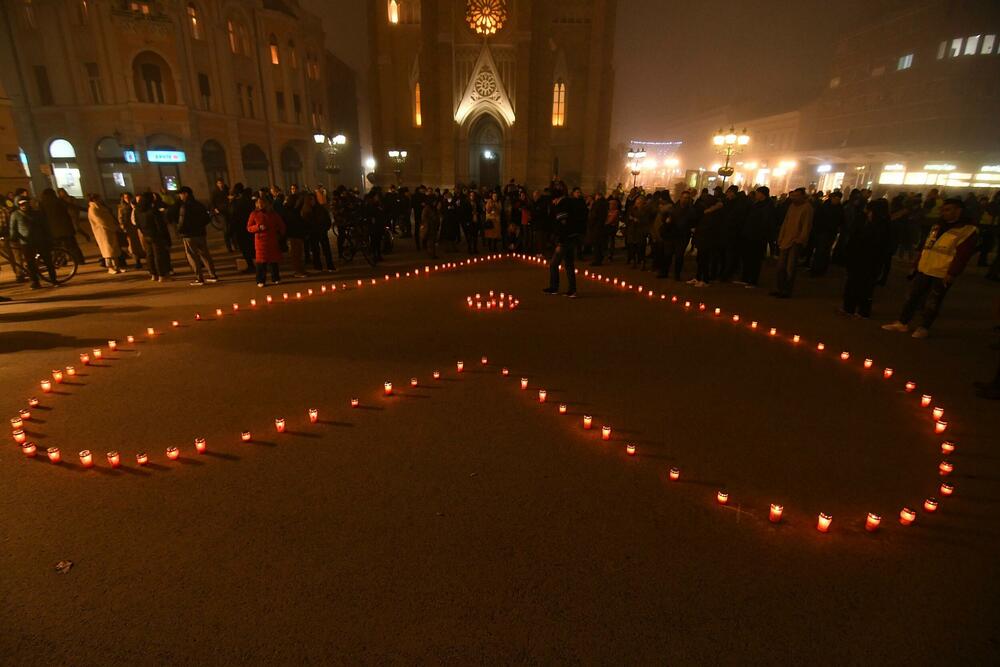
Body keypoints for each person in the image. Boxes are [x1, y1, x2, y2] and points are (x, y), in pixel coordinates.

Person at [882, 198, 978, 339]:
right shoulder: (937, 226)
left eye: (948, 210)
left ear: (959, 211)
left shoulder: (967, 230)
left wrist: (952, 273)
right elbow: (927, 247)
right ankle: (902, 322)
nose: (944, 213)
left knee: (933, 301)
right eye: (943, 210)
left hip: (942, 271)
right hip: (925, 267)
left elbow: (963, 255)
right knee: (913, 296)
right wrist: (916, 265)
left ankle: (924, 327)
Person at [841, 199, 890, 318]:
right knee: (854, 284)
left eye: (869, 210)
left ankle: (862, 310)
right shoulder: (865, 222)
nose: (867, 212)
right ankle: (849, 308)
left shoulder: (882, 226)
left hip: (869, 261)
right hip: (859, 259)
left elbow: (883, 247)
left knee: (865, 287)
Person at [771, 187, 813, 298]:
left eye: (797, 196)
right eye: (793, 195)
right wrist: (781, 236)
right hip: (786, 239)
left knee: (790, 267)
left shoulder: (807, 208)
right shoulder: (792, 206)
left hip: (795, 241)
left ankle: (786, 290)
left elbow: (806, 226)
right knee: (781, 266)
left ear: (802, 196)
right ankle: (779, 287)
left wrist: (801, 239)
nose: (794, 198)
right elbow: (786, 222)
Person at [172, 186, 218, 285]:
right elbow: (207, 218)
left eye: (181, 194)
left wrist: (180, 231)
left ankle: (199, 278)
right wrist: (199, 225)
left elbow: (182, 222)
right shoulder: (199, 204)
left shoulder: (184, 206)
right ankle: (213, 275)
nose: (180, 196)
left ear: (186, 194)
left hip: (189, 235)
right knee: (205, 255)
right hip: (200, 233)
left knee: (193, 257)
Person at [542, 181, 580, 297]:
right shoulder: (567, 202)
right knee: (569, 264)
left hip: (565, 239)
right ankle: (572, 290)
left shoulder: (562, 204)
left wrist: (560, 241)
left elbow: (563, 223)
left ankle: (554, 287)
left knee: (554, 264)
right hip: (571, 237)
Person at [10, 196, 56, 288]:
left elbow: (45, 226)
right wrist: (13, 238)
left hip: (40, 240)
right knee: (30, 264)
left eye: (25, 203)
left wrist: (50, 238)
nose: (24, 206)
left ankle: (53, 279)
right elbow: (13, 229)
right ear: (18, 205)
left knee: (48, 261)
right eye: (21, 204)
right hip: (26, 243)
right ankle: (35, 282)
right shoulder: (15, 215)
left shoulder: (37, 213)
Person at [247, 196, 286, 286]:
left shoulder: (273, 214)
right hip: (260, 242)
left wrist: (280, 234)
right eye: (258, 203)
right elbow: (249, 227)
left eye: (262, 202)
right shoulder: (254, 214)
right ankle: (260, 280)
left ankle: (275, 278)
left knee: (273, 261)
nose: (260, 204)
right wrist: (258, 227)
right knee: (261, 262)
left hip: (272, 240)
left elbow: (281, 225)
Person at [740, 186, 775, 287]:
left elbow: (766, 223)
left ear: (762, 194)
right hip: (750, 235)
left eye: (758, 193)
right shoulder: (757, 204)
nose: (756, 195)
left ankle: (753, 281)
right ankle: (746, 278)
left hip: (758, 237)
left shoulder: (768, 206)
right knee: (748, 258)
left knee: (755, 259)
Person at [39, 188, 84, 264]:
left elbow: (42, 216)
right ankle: (79, 260)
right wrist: (87, 209)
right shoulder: (58, 201)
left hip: (53, 230)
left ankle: (62, 261)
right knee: (72, 246)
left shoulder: (42, 203)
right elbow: (71, 206)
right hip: (66, 228)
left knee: (58, 248)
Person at [134, 192, 172, 281]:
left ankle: (153, 274)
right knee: (158, 255)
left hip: (146, 235)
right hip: (156, 235)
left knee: (149, 255)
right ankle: (162, 275)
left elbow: (137, 224)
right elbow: (160, 225)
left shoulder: (137, 211)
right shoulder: (152, 211)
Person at [87, 194, 124, 273]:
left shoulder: (101, 206)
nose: (100, 199)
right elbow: (100, 221)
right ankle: (110, 267)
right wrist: (113, 227)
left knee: (114, 249)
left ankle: (117, 266)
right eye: (99, 198)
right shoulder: (93, 209)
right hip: (103, 232)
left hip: (110, 231)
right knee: (107, 250)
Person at [808, 191, 842, 277]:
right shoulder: (824, 206)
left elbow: (841, 221)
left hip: (830, 233)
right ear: (831, 198)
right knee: (820, 251)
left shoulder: (839, 208)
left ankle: (822, 269)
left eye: (838, 199)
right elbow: (817, 218)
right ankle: (815, 269)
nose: (837, 201)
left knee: (825, 252)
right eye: (835, 198)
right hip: (822, 232)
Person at [302, 193, 335, 272]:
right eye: (310, 199)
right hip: (313, 233)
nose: (312, 201)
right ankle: (317, 266)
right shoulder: (306, 211)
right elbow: (305, 223)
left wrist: (325, 227)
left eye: (313, 199)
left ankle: (330, 265)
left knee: (326, 249)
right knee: (315, 250)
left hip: (322, 231)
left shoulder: (320, 209)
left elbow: (327, 219)